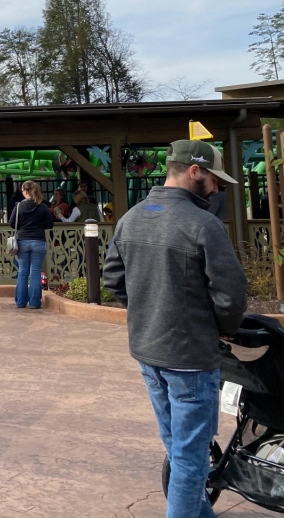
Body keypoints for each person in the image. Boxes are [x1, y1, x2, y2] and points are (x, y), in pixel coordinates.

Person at [103, 140, 247, 518]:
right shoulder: (203, 224)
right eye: (215, 179)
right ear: (194, 170)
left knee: (178, 448)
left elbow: (113, 278)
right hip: (191, 358)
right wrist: (225, 330)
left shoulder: (131, 217)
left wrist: (148, 311)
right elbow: (231, 295)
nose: (217, 189)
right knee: (189, 460)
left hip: (148, 351)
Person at [9, 180, 53, 310]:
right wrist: (39, 225)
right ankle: (34, 302)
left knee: (22, 272)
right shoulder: (43, 207)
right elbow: (50, 224)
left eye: (22, 190)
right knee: (35, 272)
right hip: (39, 241)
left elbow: (12, 223)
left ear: (26, 192)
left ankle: (21, 302)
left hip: (22, 241)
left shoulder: (18, 207)